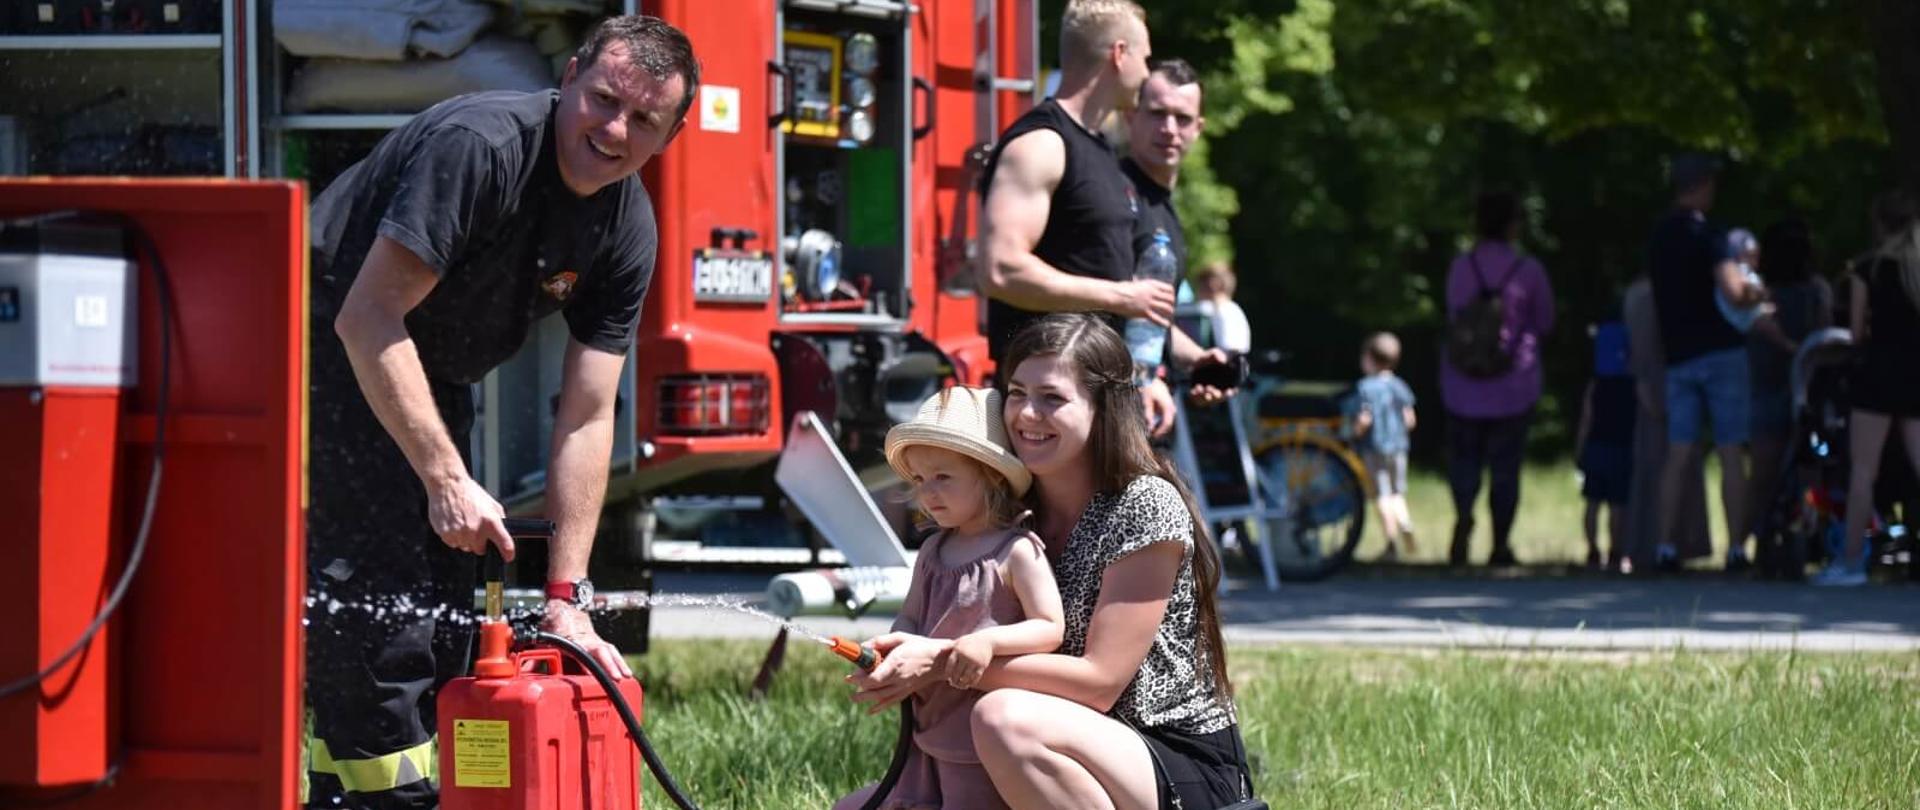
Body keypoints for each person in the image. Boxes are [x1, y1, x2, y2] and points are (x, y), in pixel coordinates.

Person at [302, 16, 696, 808]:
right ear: (572, 75)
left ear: (672, 134)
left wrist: (566, 599)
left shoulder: (627, 228)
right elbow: (365, 318)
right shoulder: (481, 148)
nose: (615, 129)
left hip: (427, 370)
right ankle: (372, 797)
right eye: (604, 99)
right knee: (383, 619)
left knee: (451, 616)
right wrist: (447, 479)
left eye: (644, 119)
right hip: (326, 346)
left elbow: (587, 416)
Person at [850, 313, 1255, 810]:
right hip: (1044, 754)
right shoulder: (1005, 511)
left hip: (1168, 758)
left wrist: (937, 661)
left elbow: (1101, 683)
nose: (1025, 414)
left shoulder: (1143, 504)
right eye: (1017, 393)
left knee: (1003, 718)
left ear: (1103, 407)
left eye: (1052, 398)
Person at [836, 387, 1064, 810]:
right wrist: (890, 647)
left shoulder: (1015, 551)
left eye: (943, 477)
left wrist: (987, 643)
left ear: (991, 475)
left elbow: (1051, 628)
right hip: (927, 725)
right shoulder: (933, 551)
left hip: (979, 739)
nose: (928, 493)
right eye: (919, 480)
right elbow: (910, 618)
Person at [1648, 153, 1764, 573]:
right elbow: (1734, 292)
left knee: (1678, 453)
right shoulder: (1711, 236)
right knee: (1731, 451)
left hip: (1679, 357)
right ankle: (1735, 548)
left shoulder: (1659, 236)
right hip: (1721, 354)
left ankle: (1664, 546)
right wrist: (1758, 295)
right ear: (1701, 186)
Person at [1116, 57, 1236, 432]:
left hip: (1143, 408)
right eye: (1157, 113)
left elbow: (1146, 316)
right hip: (1105, 401)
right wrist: (1139, 379)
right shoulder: (1114, 194)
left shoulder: (1162, 205)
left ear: (1198, 129)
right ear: (1130, 116)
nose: (1169, 129)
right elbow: (1103, 311)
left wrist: (1199, 359)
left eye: (1182, 119)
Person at [1440, 190, 1555, 567]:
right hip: (1512, 386)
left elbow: (1453, 316)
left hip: (1462, 384)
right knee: (1506, 467)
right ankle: (1500, 544)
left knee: (1464, 460)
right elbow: (1544, 322)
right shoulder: (1528, 271)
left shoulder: (1461, 267)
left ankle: (1462, 518)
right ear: (1513, 225)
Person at [1815, 191, 1920, 586]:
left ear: (1878, 223)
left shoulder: (1867, 269)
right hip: (1916, 372)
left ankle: (1851, 560)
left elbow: (1857, 331)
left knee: (1863, 471)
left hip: (1878, 372)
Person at [1747, 218, 1832, 551]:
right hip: (1800, 387)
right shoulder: (1811, 290)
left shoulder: (1763, 291)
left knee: (1767, 472)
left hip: (1776, 385)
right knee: (1805, 468)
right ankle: (1801, 534)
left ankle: (1767, 536)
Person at [1623, 277, 1713, 571]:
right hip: (1668, 384)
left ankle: (1655, 545)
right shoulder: (1661, 293)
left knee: (1657, 466)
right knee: (1670, 465)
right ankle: (1668, 544)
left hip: (1663, 385)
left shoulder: (1639, 293)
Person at [1575, 308, 1635, 570]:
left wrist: (1579, 449)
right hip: (1621, 449)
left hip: (1596, 449)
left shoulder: (1595, 385)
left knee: (1592, 503)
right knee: (1617, 505)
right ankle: (1615, 551)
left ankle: (1592, 550)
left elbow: (1586, 420)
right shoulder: (1632, 387)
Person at [1353, 332, 1418, 559]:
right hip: (1399, 447)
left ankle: (1391, 544)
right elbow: (1410, 420)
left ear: (1369, 358)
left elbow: (1365, 419)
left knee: (1381, 495)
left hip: (1375, 448)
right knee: (1397, 492)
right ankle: (1405, 522)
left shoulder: (1366, 387)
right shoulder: (1400, 386)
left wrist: (1354, 434)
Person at [1194, 261, 1252, 354]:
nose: (1198, 291)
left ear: (1214, 286)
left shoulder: (1225, 311)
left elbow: (1230, 351)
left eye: (1201, 285)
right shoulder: (1229, 310)